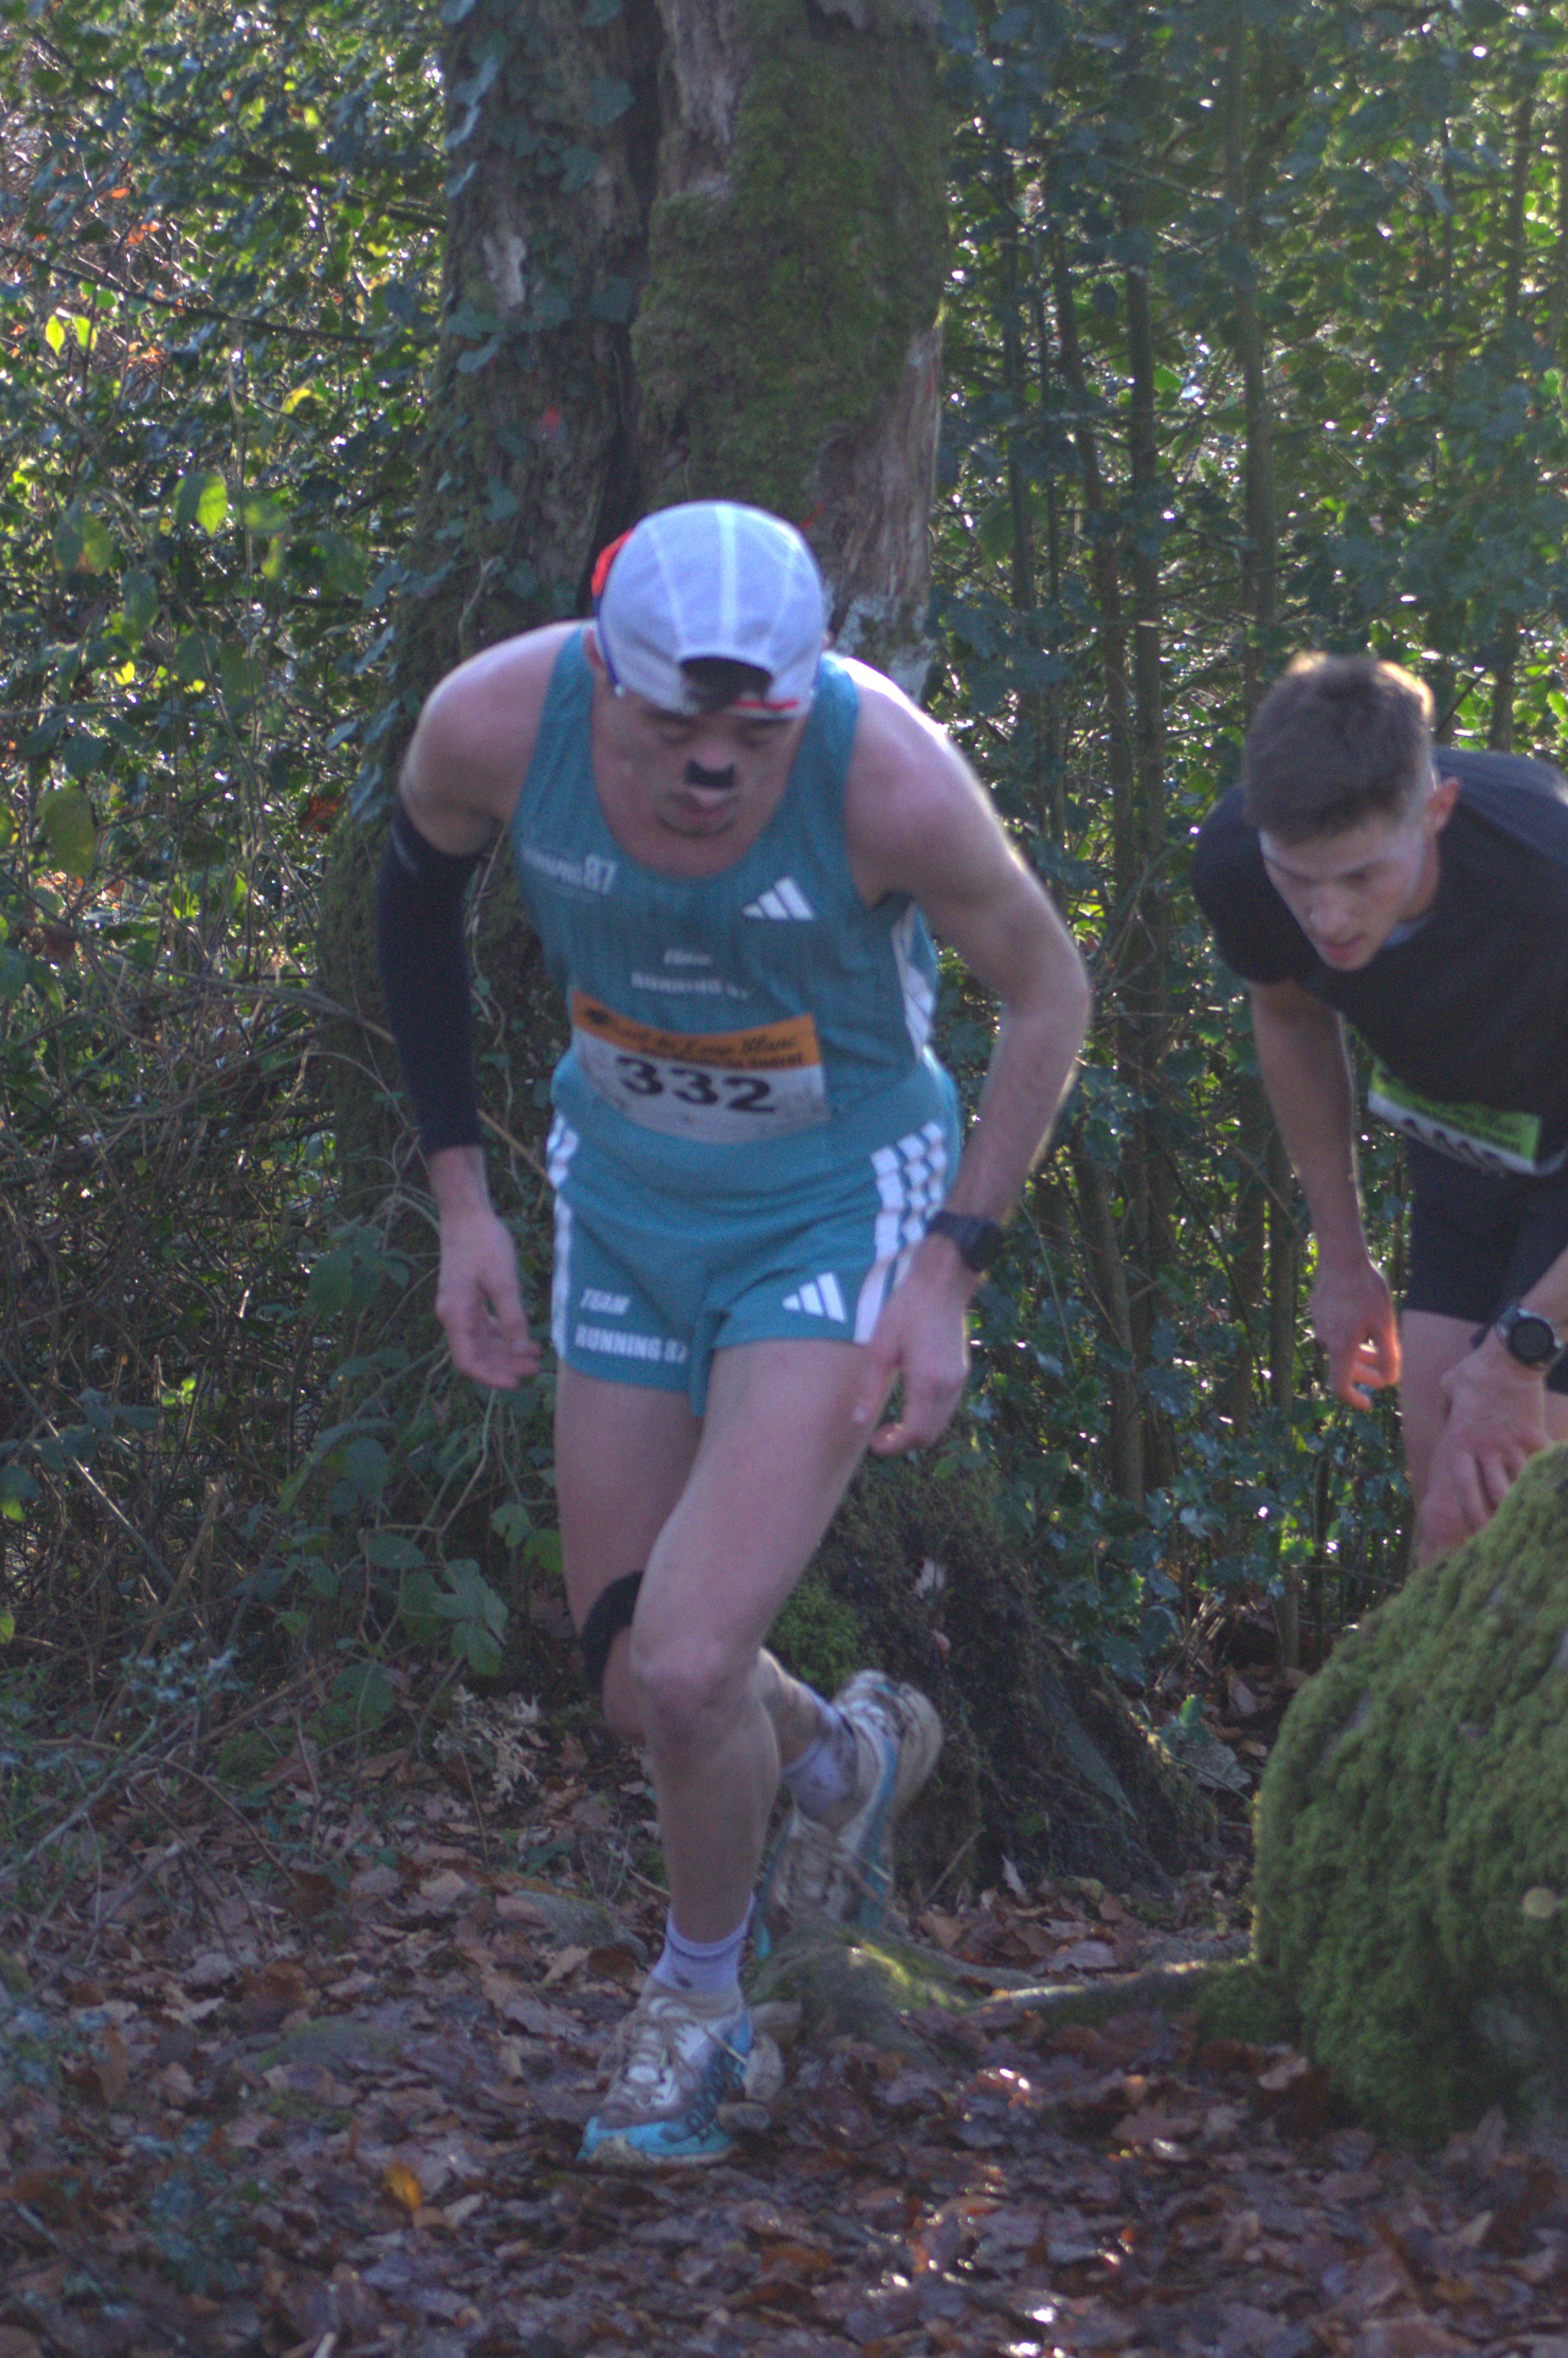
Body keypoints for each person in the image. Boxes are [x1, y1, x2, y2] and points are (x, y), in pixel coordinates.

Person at [373, 501, 1087, 2167]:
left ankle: (699, 2009)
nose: (708, 768)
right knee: (641, 1683)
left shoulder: (885, 776)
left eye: (752, 734)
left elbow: (1046, 989)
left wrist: (948, 1266)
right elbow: (409, 910)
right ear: (601, 675)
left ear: (805, 693)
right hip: (624, 1201)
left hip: (833, 1211)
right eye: (670, 728)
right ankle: (840, 1757)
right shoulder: (493, 720)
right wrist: (462, 1202)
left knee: (693, 1663)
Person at [1191, 653, 1568, 1567]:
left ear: (1436, 811)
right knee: (1441, 1479)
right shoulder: (1241, 863)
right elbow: (1287, 1017)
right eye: (1300, 880)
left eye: (1361, 878)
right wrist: (1342, 1259)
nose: (1327, 919)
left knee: (1502, 1507)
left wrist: (1519, 1353)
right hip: (1465, 1120)